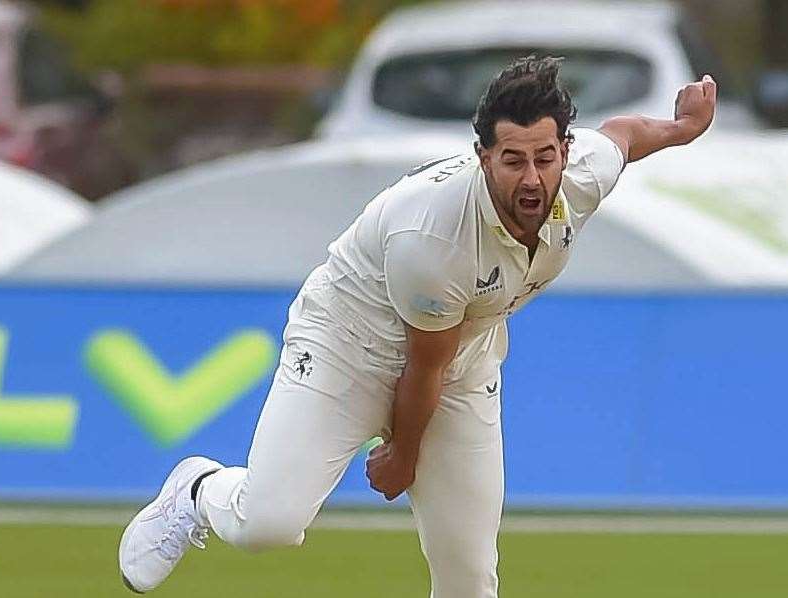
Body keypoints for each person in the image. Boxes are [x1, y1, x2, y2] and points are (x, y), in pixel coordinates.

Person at [117, 56, 717, 597]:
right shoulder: (433, 237)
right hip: (345, 350)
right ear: (483, 157)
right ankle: (198, 490)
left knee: (469, 574)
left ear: (564, 148)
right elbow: (422, 364)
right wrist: (402, 452)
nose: (531, 179)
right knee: (267, 524)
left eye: (544, 157)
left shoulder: (580, 174)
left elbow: (624, 136)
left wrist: (683, 128)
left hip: (460, 363)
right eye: (512, 161)